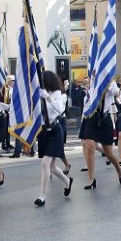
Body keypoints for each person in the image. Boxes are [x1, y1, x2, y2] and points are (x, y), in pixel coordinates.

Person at [34, 71, 73, 206]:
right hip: (44, 131)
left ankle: (42, 196)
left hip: (55, 129)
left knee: (45, 163)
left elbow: (60, 109)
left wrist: (48, 98)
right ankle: (67, 181)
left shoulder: (57, 94)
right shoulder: (38, 94)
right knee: (51, 166)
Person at [78, 77, 121, 188]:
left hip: (104, 119)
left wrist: (108, 87)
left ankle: (119, 169)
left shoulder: (110, 81)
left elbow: (117, 92)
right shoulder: (92, 81)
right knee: (89, 146)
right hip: (91, 118)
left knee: (108, 152)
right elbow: (87, 101)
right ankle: (91, 178)